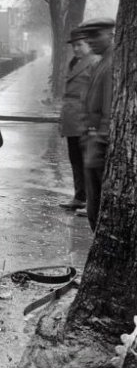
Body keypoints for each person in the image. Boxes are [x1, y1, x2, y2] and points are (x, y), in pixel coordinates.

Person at [73, 17, 115, 230]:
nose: (91, 40)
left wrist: (99, 141)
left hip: (99, 143)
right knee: (94, 205)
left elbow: (109, 108)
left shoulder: (111, 64)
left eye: (96, 35)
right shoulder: (102, 62)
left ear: (110, 34)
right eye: (88, 36)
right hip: (92, 139)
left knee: (98, 206)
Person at [58, 28, 98, 211]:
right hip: (71, 119)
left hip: (85, 119)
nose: (75, 49)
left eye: (79, 45)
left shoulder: (95, 62)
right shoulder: (74, 62)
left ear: (88, 44)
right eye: (73, 45)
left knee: (88, 162)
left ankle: (92, 202)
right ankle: (79, 197)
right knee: (75, 160)